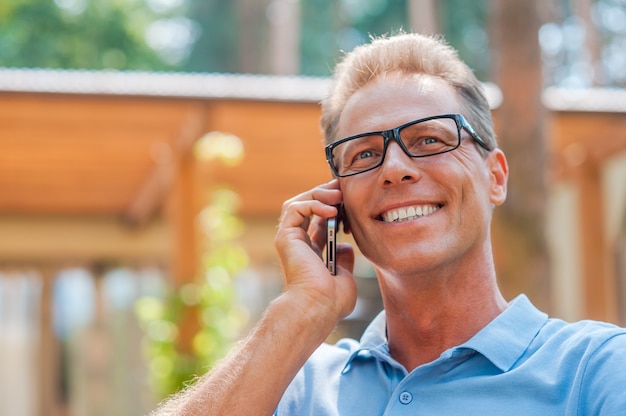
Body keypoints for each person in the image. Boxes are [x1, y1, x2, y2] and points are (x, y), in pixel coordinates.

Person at [152, 32, 626, 415]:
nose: (394, 168)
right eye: (365, 153)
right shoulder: (292, 387)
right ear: (338, 203)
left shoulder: (598, 370)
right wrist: (301, 308)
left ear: (495, 177)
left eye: (429, 139)